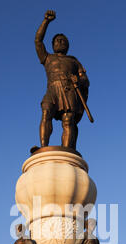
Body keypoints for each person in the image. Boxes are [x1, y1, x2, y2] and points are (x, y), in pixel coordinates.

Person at [35, 10, 90, 149]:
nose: (60, 42)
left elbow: (86, 80)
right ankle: (43, 147)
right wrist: (46, 21)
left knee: (68, 120)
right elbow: (38, 41)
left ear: (68, 45)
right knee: (46, 111)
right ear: (53, 45)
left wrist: (78, 79)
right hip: (52, 89)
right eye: (57, 41)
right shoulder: (47, 58)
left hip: (69, 90)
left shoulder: (74, 61)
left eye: (63, 41)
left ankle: (67, 149)